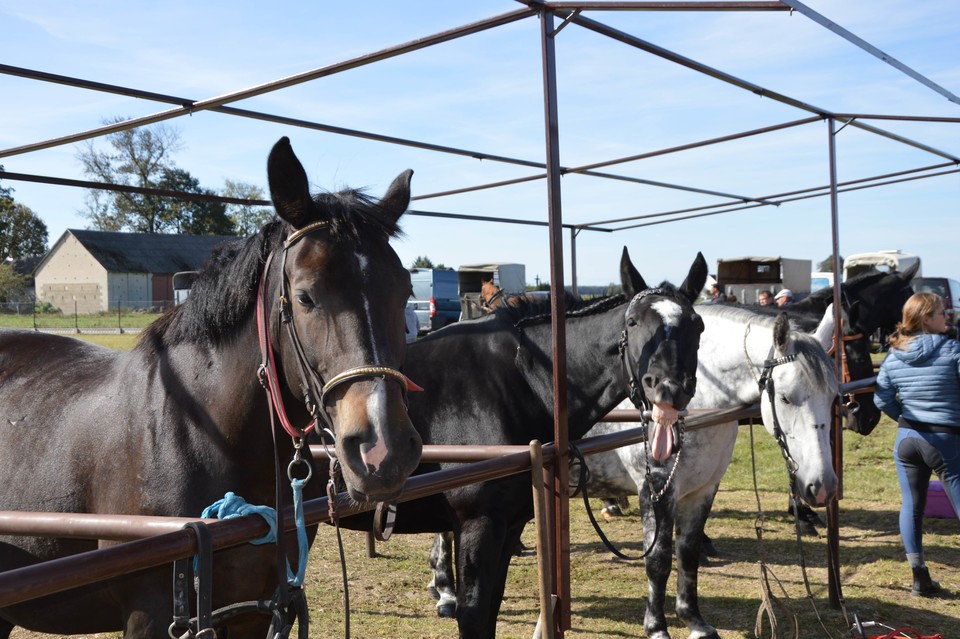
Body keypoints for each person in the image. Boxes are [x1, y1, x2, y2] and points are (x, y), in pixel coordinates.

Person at [874, 292, 960, 597]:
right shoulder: (952, 350)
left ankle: (918, 576)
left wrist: (904, 417)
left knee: (912, 506)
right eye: (942, 312)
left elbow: (881, 397)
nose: (947, 316)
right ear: (926, 318)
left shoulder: (894, 354)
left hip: (908, 439)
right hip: (946, 439)